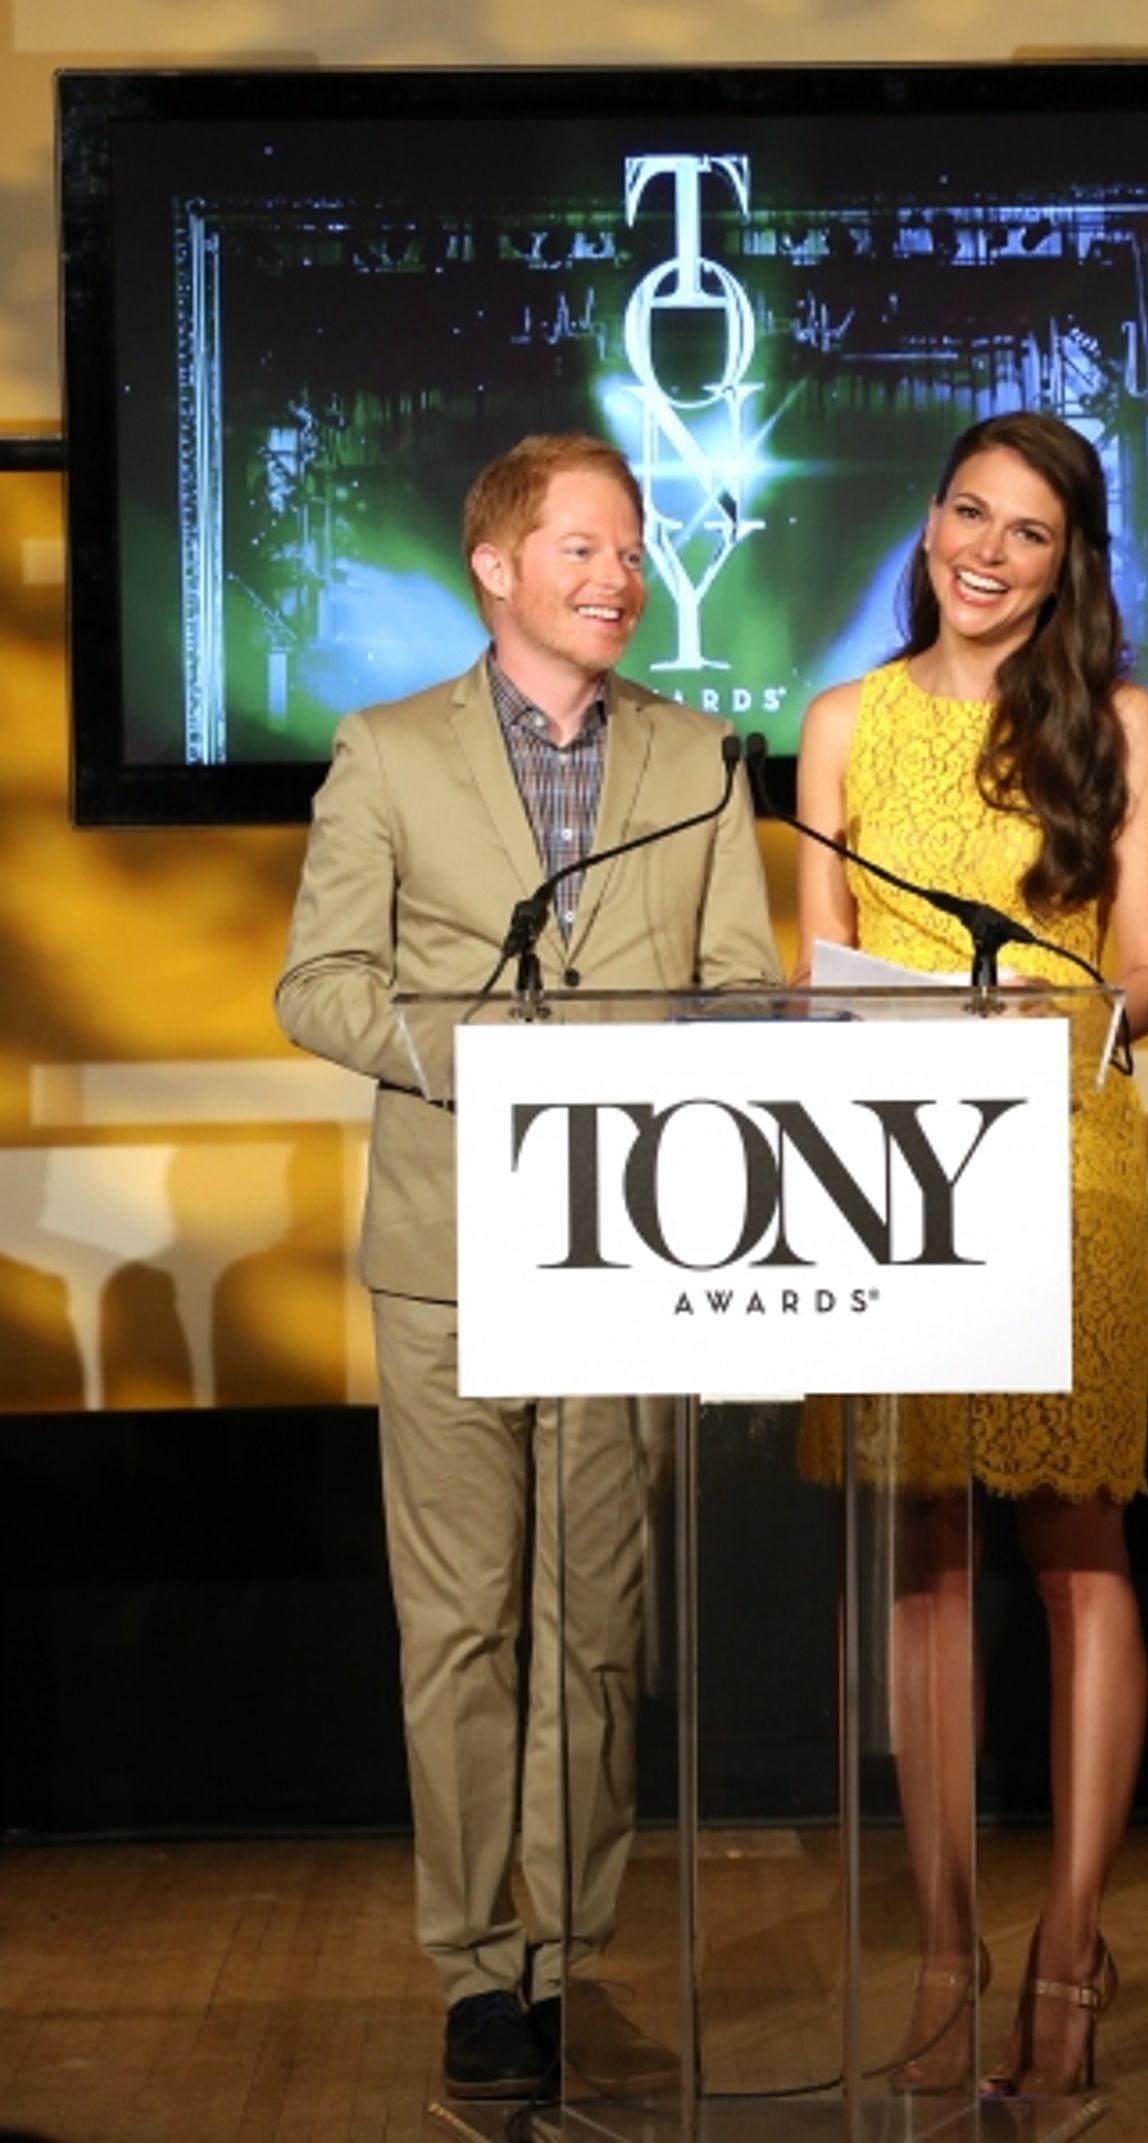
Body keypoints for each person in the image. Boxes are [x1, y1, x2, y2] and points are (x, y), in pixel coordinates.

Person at [275, 433, 780, 2102]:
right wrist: (482, 1050)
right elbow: (318, 985)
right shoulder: (386, 749)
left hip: (631, 1253)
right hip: (448, 1254)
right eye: (583, 549)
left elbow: (739, 989)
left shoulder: (701, 759)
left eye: (631, 551)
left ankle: (563, 1957)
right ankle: (475, 1968)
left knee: (594, 1631)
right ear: (496, 567)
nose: (619, 577)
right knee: (460, 1630)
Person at [794, 410, 1148, 2098]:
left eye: (1029, 532)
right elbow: (817, 966)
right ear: (930, 524)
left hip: (1064, 1153)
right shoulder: (842, 724)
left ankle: (1070, 1951)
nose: (988, 552)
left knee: (1076, 1550)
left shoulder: (1118, 725)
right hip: (890, 1169)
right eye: (970, 513)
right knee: (926, 1560)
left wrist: (1050, 1003)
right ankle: (944, 1955)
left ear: (1066, 561)